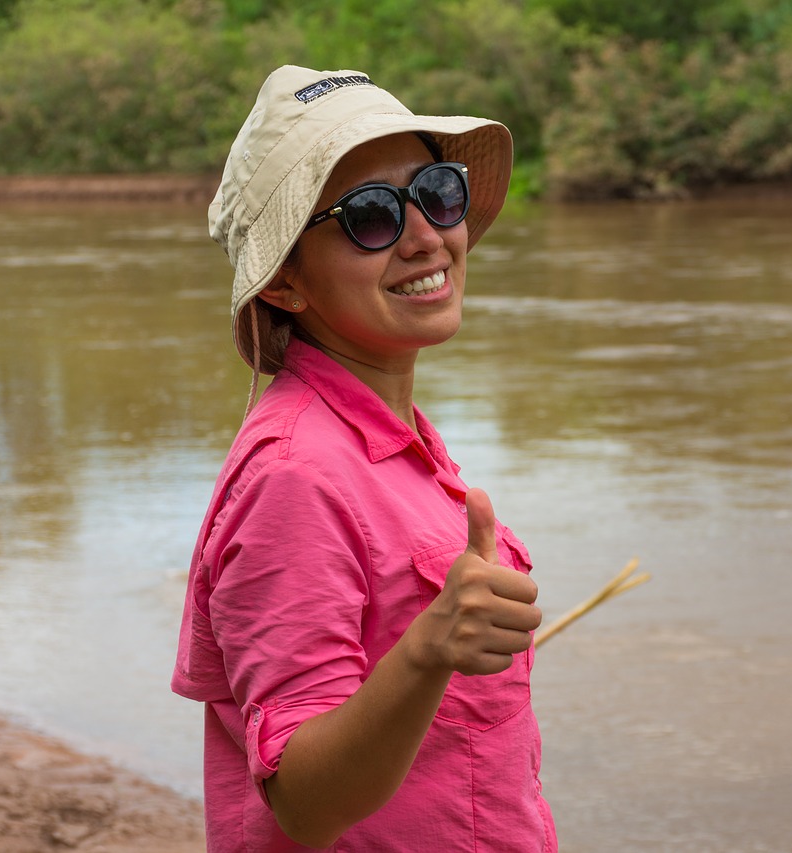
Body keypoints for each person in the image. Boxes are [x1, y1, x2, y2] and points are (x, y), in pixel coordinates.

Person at [171, 65, 556, 852]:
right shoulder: (294, 475)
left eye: (437, 192)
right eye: (371, 216)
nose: (425, 235)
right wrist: (429, 647)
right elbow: (304, 803)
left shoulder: (393, 434)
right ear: (283, 284)